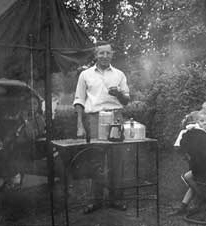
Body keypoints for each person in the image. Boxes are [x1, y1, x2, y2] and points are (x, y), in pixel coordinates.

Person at [73, 40, 130, 213]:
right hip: (95, 118)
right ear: (95, 55)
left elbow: (126, 100)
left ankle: (116, 199)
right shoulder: (85, 75)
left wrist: (118, 93)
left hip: (116, 117)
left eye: (108, 53)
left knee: (116, 160)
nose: (104, 56)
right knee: (95, 161)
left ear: (112, 54)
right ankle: (95, 200)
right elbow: (79, 100)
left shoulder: (119, 74)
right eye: (101, 53)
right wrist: (80, 125)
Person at [169, 109, 206, 216]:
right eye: (202, 121)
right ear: (198, 123)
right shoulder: (199, 135)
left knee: (189, 177)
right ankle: (184, 206)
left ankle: (203, 197)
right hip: (202, 167)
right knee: (193, 179)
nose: (205, 123)